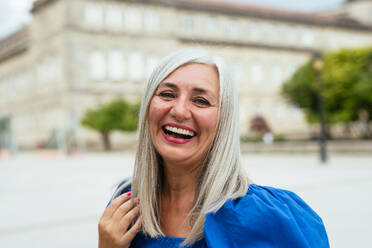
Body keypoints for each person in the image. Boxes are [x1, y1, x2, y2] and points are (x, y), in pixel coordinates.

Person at [98, 48, 329, 248]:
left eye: (201, 101)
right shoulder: (127, 204)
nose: (179, 111)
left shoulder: (269, 216)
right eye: (167, 94)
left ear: (224, 121)